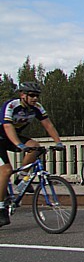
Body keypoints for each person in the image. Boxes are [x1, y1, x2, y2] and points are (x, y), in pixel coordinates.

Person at [0, 81, 64, 227]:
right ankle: (1, 207)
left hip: (11, 137)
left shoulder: (37, 108)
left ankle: (22, 179)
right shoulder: (11, 106)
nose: (35, 98)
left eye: (37, 96)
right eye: (32, 95)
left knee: (35, 146)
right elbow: (7, 126)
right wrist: (19, 145)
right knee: (6, 170)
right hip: (2, 137)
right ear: (23, 95)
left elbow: (48, 124)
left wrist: (58, 142)